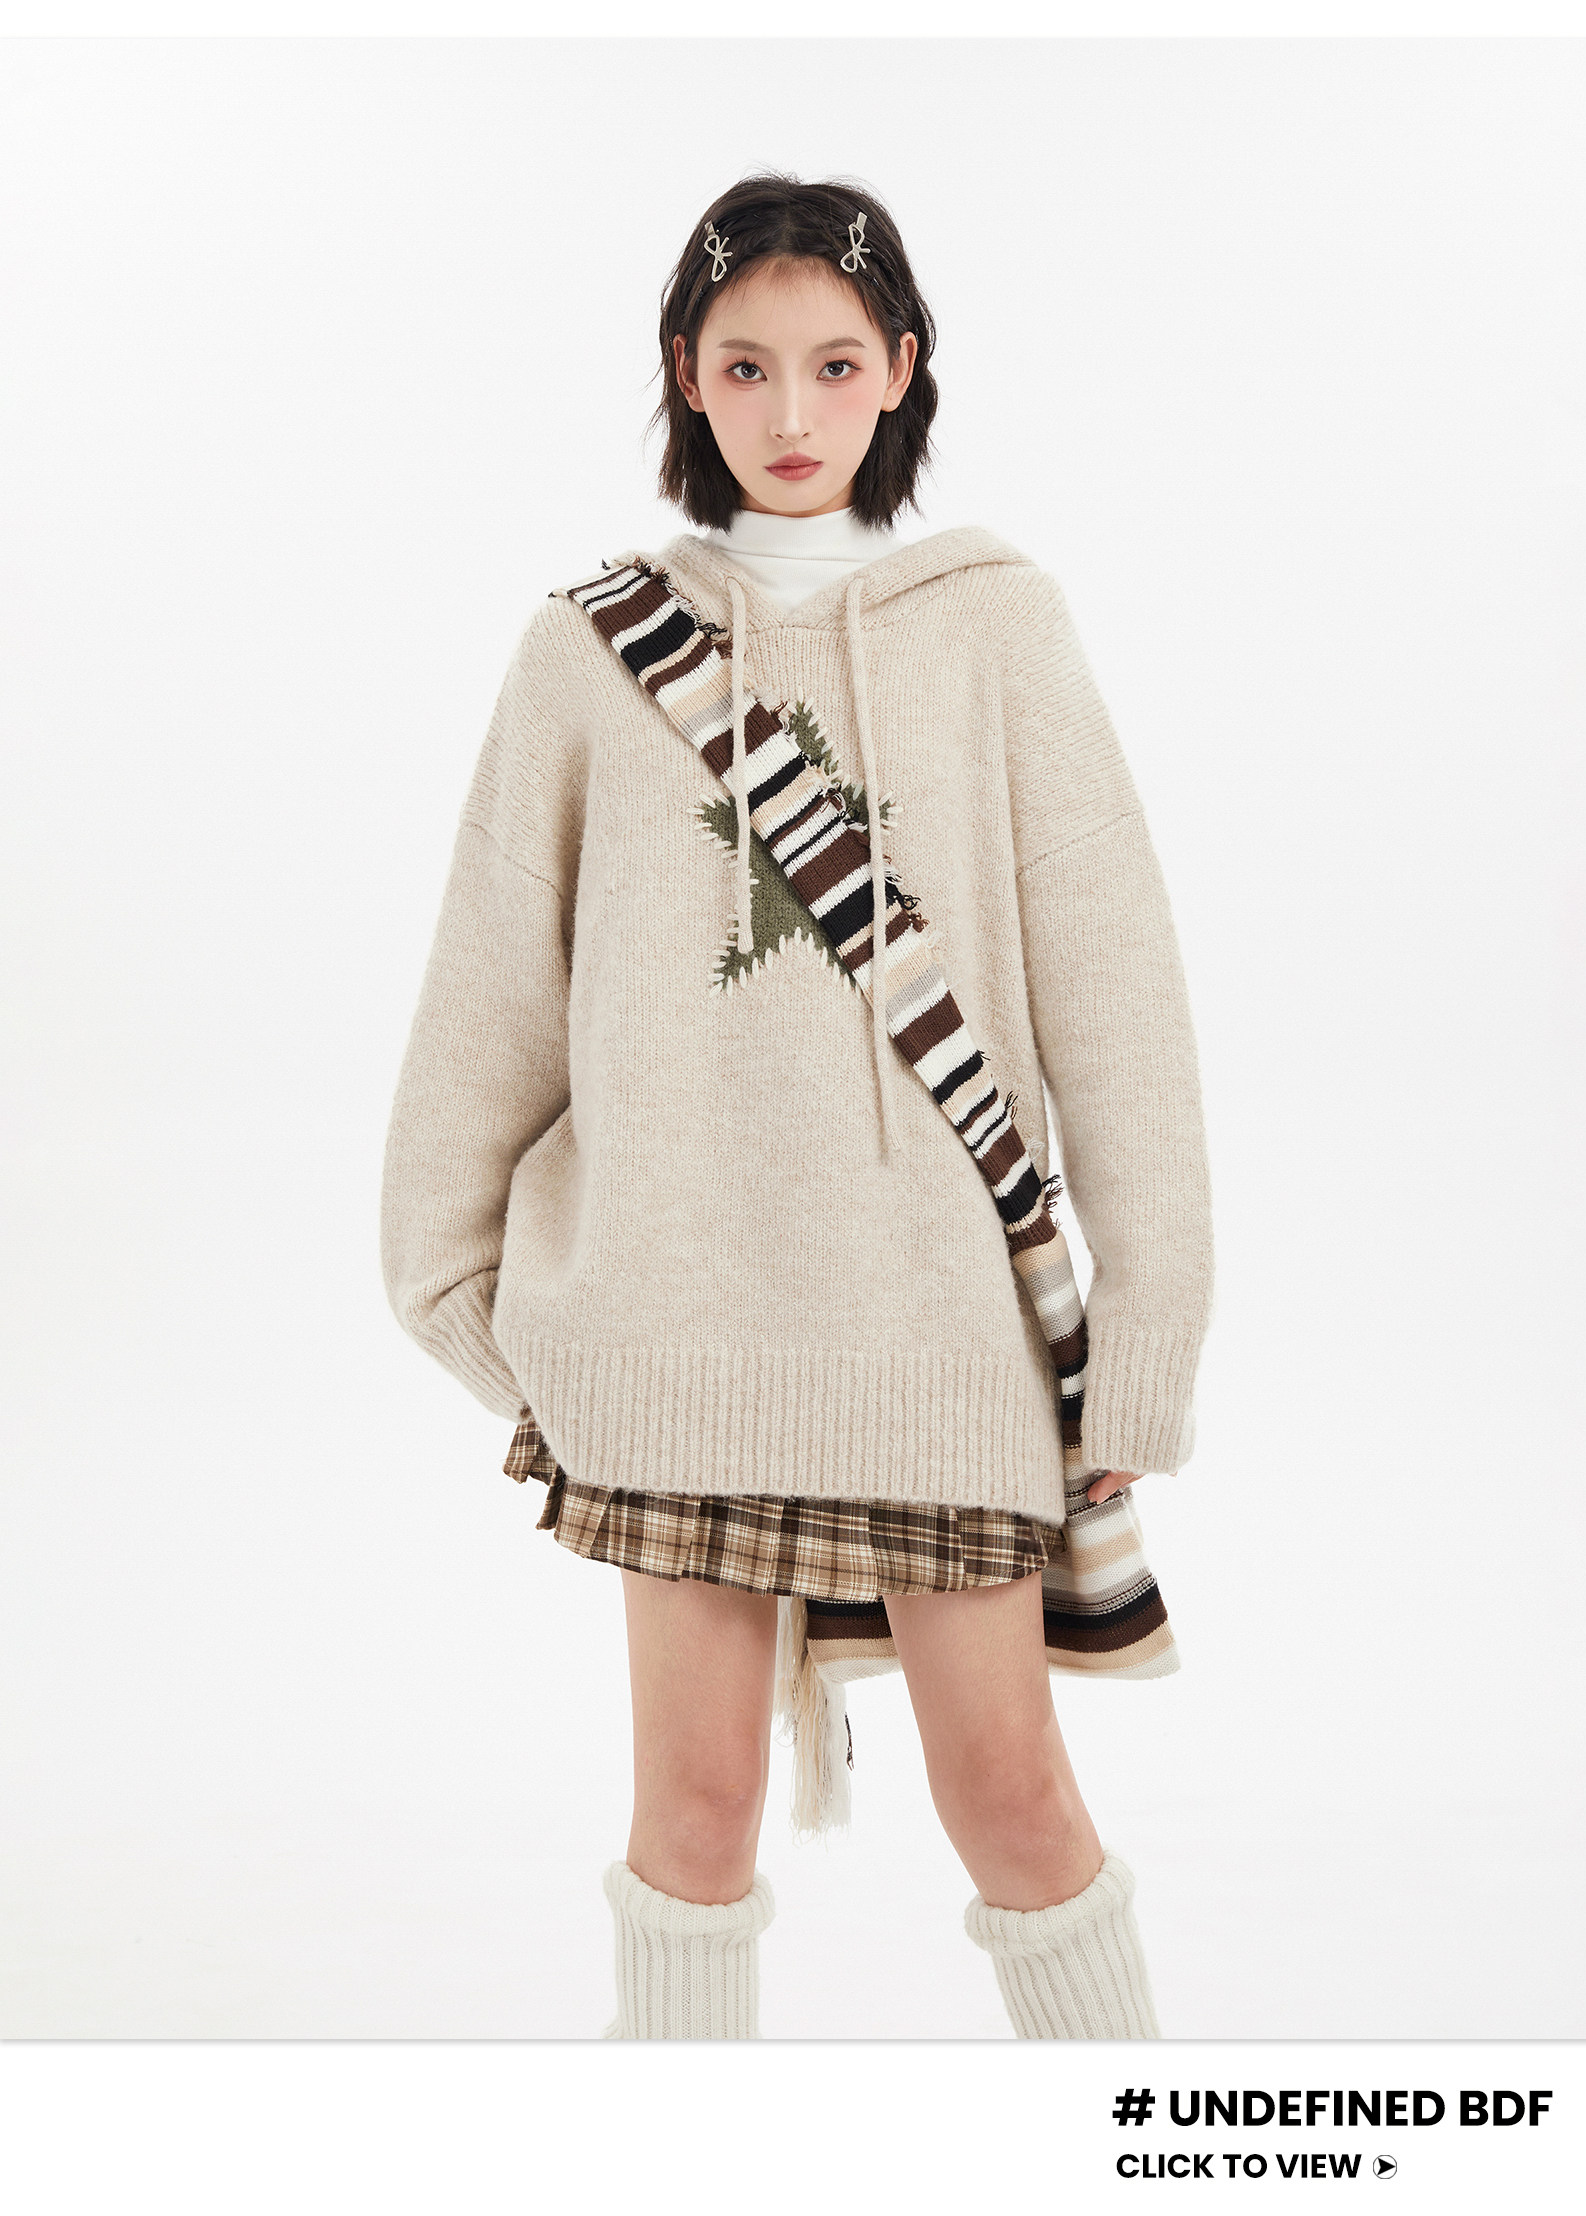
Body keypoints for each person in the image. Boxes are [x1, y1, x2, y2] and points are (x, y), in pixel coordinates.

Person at [380, 174, 1214, 2041]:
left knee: (1015, 1805)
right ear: (685, 374)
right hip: (675, 1337)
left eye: (835, 364)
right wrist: (489, 1319)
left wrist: (1140, 1352)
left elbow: (1122, 1009)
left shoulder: (1002, 630)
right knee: (691, 1820)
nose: (789, 410)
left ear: (901, 371)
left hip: (939, 1344)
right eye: (745, 364)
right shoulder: (587, 650)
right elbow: (488, 1006)